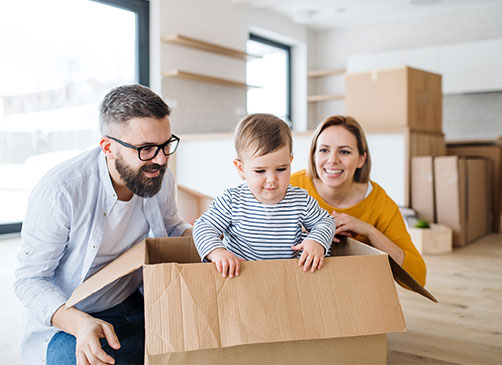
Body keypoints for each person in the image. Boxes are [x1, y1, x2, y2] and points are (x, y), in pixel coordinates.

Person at [13, 84, 191, 365]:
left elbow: (171, 228)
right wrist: (79, 324)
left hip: (138, 301)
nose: (161, 159)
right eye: (146, 149)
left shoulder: (158, 175)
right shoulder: (62, 191)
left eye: (166, 145)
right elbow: (30, 279)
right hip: (77, 315)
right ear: (108, 148)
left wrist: (211, 239)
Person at [193, 113, 335, 278]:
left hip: (287, 278)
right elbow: (203, 227)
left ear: (290, 162)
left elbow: (326, 222)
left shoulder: (300, 200)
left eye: (281, 169)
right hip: (241, 276)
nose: (272, 179)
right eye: (260, 171)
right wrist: (217, 252)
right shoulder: (232, 201)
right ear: (241, 169)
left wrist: (316, 241)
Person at [290, 115, 426, 286]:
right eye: (324, 150)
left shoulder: (380, 203)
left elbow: (418, 276)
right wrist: (314, 232)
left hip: (354, 290)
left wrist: (369, 231)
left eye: (344, 151)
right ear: (314, 155)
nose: (332, 160)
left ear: (361, 159)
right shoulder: (291, 187)